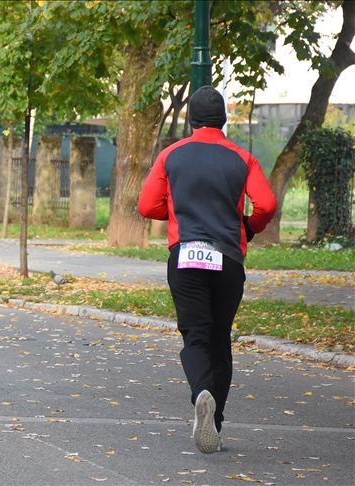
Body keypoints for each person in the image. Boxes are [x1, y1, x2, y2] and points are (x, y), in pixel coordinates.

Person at [138, 85, 277, 453]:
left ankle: (201, 391)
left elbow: (147, 205)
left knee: (195, 336)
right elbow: (266, 204)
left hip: (185, 257)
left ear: (191, 119)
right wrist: (248, 227)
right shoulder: (241, 158)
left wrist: (177, 210)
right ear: (224, 120)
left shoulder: (171, 155)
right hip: (228, 259)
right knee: (220, 340)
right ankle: (214, 423)